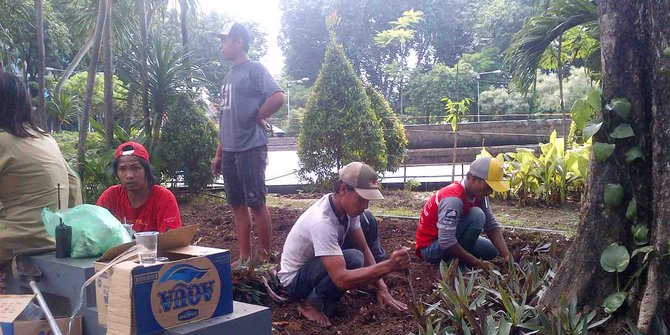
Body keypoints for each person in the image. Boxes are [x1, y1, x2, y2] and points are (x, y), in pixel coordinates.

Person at [278, 162, 411, 327]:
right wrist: (389, 265)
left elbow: (363, 246)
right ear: (343, 189)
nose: (365, 205)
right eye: (361, 199)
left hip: (314, 267)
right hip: (295, 280)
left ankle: (324, 293)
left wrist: (381, 287)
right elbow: (341, 279)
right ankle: (310, 303)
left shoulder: (346, 208)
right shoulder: (322, 222)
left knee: (364, 231)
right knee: (354, 259)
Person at [210, 22, 286, 263]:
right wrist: (219, 153)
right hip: (231, 151)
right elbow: (225, 117)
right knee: (237, 205)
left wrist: (258, 115)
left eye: (225, 41)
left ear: (239, 42)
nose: (221, 46)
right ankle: (244, 257)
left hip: (251, 148)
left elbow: (278, 96)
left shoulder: (255, 69)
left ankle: (265, 256)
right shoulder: (228, 76)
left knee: (256, 203)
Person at [0, 71, 82, 264]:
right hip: (53, 242)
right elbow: (73, 184)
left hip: (12, 243)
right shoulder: (45, 138)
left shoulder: (3, 141)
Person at [415, 157, 511, 270]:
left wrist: (507, 255)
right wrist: (475, 262)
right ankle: (456, 265)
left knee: (492, 251)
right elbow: (446, 240)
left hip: (450, 238)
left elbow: (491, 226)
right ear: (472, 179)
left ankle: (460, 258)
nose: (489, 192)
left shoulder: (478, 194)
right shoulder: (453, 199)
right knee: (477, 215)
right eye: (488, 187)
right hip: (431, 249)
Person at [97, 141, 181, 233]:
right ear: (117, 173)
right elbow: (94, 231)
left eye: (135, 168)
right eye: (122, 169)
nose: (129, 175)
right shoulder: (111, 196)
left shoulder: (163, 197)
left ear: (146, 171)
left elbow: (171, 239)